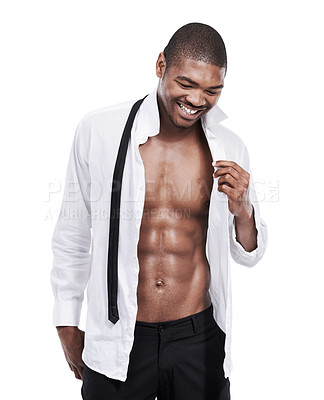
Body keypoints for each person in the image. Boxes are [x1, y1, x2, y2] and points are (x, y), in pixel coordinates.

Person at [50, 22, 268, 400]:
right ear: (160, 65)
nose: (198, 100)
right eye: (187, 84)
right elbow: (73, 233)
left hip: (197, 337)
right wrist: (66, 322)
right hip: (119, 335)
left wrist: (243, 209)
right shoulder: (99, 130)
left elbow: (248, 253)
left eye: (212, 90)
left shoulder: (228, 147)